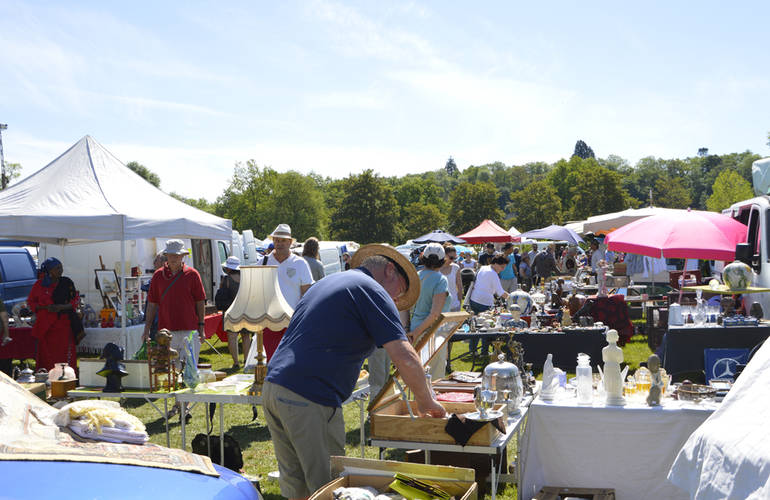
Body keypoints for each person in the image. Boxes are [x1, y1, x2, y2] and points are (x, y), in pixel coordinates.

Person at [263, 244, 446, 499]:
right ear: (390, 271)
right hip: (310, 396)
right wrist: (427, 402)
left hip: (276, 387)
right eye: (399, 293)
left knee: (298, 487)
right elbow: (403, 354)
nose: (395, 300)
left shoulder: (331, 281)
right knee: (330, 487)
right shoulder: (371, 288)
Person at [142, 240, 206, 398]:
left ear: (183, 256)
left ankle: (184, 406)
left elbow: (200, 301)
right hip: (166, 334)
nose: (174, 258)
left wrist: (201, 327)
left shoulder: (192, 274)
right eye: (171, 255)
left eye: (177, 255)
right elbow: (152, 304)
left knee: (189, 371)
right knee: (171, 372)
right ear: (166, 256)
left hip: (189, 330)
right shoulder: (158, 276)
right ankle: (178, 405)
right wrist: (146, 329)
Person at [259, 224, 313, 362]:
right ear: (273, 241)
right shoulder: (262, 262)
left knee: (293, 359)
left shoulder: (300, 263)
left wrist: (303, 318)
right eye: (277, 240)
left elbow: (306, 295)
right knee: (272, 359)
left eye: (283, 240)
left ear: (290, 242)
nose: (280, 243)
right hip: (269, 320)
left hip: (293, 321)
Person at [27, 258, 83, 371]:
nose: (60, 270)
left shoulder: (66, 282)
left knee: (63, 354)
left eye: (61, 267)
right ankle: (47, 377)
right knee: (47, 356)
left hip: (63, 324)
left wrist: (60, 307)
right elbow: (31, 303)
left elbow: (75, 300)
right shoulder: (39, 285)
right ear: (49, 270)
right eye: (57, 268)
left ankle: (66, 377)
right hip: (45, 326)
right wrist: (45, 307)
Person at [409, 243, 450, 378]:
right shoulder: (440, 280)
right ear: (442, 260)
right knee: (434, 378)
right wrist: (416, 333)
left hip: (414, 328)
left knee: (416, 376)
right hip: (433, 332)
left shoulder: (415, 277)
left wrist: (410, 331)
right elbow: (435, 314)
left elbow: (405, 306)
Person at [215, 256, 248, 369]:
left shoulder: (226, 279)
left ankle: (236, 362)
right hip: (244, 310)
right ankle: (246, 360)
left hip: (230, 310)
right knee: (246, 336)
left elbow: (221, 294)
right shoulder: (245, 278)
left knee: (232, 337)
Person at [440, 245, 463, 312]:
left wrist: (459, 302)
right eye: (451, 257)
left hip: (454, 305)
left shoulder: (456, 268)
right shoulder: (436, 268)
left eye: (455, 258)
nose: (453, 260)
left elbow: (459, 286)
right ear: (444, 255)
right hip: (440, 306)